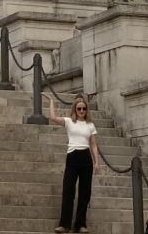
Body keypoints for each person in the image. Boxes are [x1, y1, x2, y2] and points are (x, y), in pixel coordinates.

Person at [45, 93, 100, 233]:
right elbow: (53, 118)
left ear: (86, 110)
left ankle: (81, 224)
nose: (81, 111)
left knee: (85, 192)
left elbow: (93, 145)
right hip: (72, 156)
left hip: (86, 157)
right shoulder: (69, 121)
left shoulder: (90, 125)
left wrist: (97, 162)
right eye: (79, 108)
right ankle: (65, 224)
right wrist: (51, 101)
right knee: (68, 190)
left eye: (84, 109)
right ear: (75, 109)